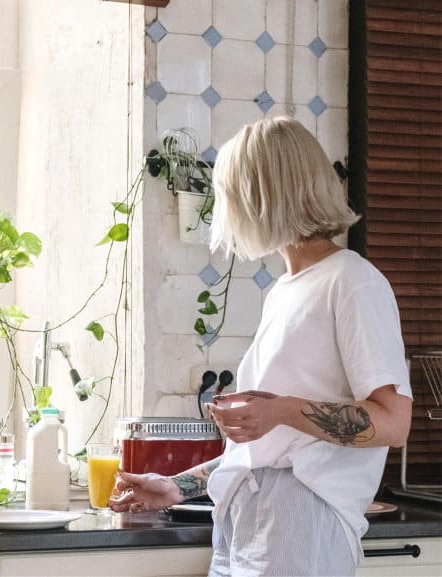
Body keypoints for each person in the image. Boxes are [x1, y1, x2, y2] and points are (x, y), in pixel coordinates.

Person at [109, 117, 413, 577]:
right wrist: (178, 486)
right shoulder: (287, 289)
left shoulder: (352, 282)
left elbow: (394, 423)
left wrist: (283, 409)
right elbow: (272, 448)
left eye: (231, 196)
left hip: (303, 520)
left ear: (262, 197)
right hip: (249, 516)